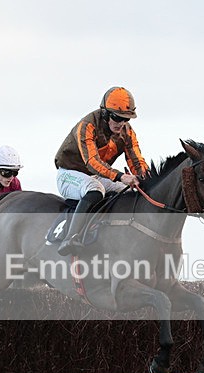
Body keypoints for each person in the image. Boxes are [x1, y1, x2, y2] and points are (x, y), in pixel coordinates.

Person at [54, 86, 149, 256]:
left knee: (128, 192)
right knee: (95, 190)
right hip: (69, 173)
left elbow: (136, 160)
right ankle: (70, 237)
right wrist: (120, 176)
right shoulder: (87, 125)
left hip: (95, 176)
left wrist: (146, 179)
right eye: (117, 118)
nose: (121, 123)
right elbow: (92, 162)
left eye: (126, 119)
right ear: (105, 113)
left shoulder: (127, 132)